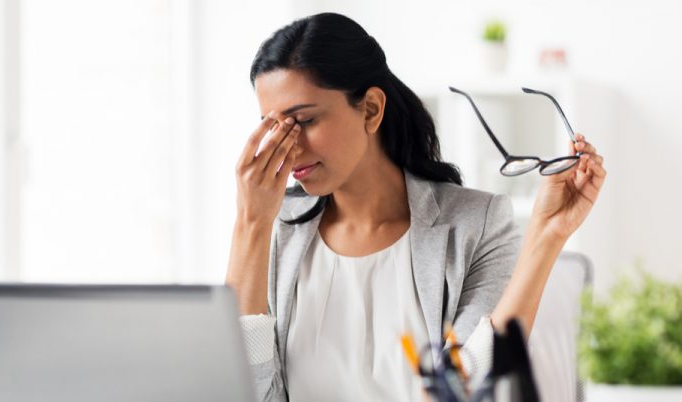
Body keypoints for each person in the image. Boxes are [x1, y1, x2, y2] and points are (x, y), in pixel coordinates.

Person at [226, 12, 606, 402]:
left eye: (304, 120)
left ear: (371, 109)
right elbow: (241, 393)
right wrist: (250, 223)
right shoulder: (277, 231)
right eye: (273, 127)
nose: (289, 146)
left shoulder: (477, 226)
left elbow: (461, 390)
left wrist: (547, 236)